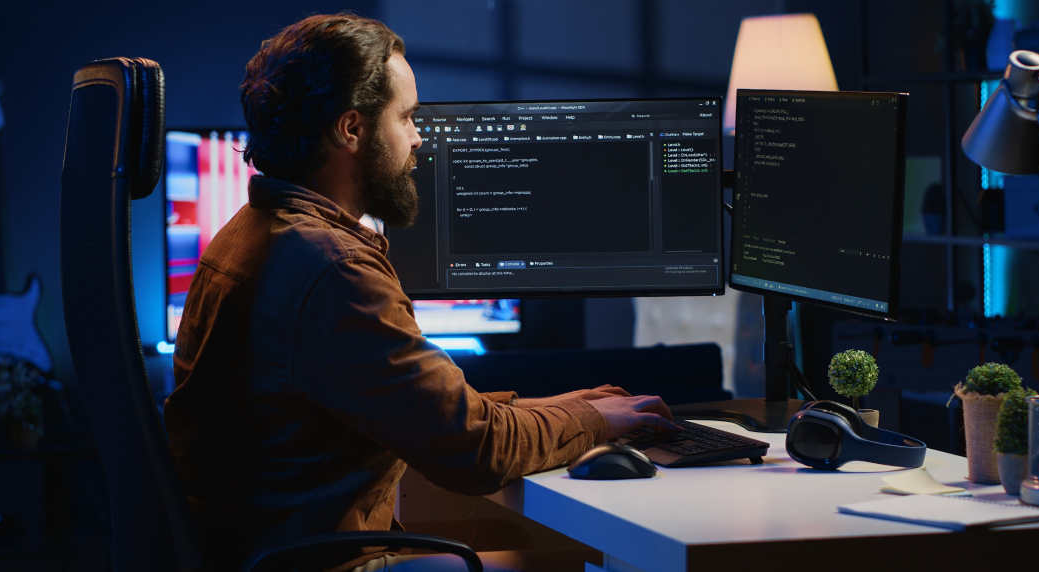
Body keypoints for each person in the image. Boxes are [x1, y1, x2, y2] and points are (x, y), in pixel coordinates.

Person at [164, 13, 679, 572]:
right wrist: (598, 423)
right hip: (323, 564)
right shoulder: (332, 269)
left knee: (528, 545)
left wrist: (578, 407)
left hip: (263, 554)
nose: (419, 136)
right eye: (407, 117)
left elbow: (445, 419)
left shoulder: (248, 235)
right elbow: (474, 451)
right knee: (587, 565)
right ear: (352, 129)